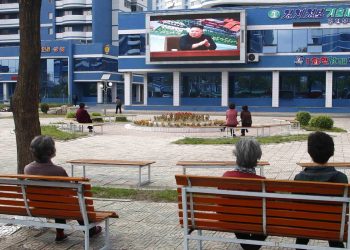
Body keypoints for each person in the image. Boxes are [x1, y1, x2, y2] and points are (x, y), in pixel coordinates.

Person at [24, 135, 102, 242]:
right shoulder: (58, 171)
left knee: (58, 200)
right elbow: (69, 190)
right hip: (59, 206)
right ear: (52, 151)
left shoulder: (27, 168)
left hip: (37, 206)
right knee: (72, 203)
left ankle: (60, 232)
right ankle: (90, 231)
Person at [294, 131, 347, 249]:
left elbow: (296, 206)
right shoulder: (341, 178)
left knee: (305, 222)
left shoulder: (299, 178)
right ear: (331, 152)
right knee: (334, 225)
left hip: (305, 226)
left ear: (309, 151)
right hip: (332, 226)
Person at [223, 139, 267, 250]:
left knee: (236, 216)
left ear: (236, 156)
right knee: (267, 220)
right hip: (255, 220)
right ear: (257, 158)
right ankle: (250, 247)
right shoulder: (263, 183)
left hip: (229, 219)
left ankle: (249, 246)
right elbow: (272, 209)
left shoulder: (226, 177)